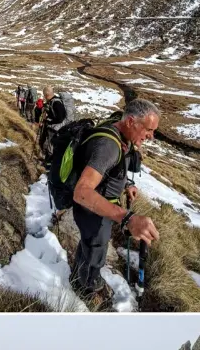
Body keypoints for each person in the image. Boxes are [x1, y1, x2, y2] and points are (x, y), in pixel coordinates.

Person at [69, 100, 161, 301]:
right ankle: (84, 287)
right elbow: (82, 192)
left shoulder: (120, 134)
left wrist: (126, 184)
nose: (151, 136)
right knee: (96, 248)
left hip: (102, 206)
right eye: (148, 130)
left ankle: (80, 273)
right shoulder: (108, 146)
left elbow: (113, 168)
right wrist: (127, 218)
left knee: (90, 244)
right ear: (130, 122)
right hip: (93, 211)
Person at [39, 87, 73, 157]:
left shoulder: (56, 103)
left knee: (50, 144)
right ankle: (47, 159)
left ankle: (48, 161)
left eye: (44, 95)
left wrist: (48, 120)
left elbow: (60, 118)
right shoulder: (53, 101)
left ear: (46, 94)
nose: (44, 97)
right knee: (49, 144)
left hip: (55, 128)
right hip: (54, 127)